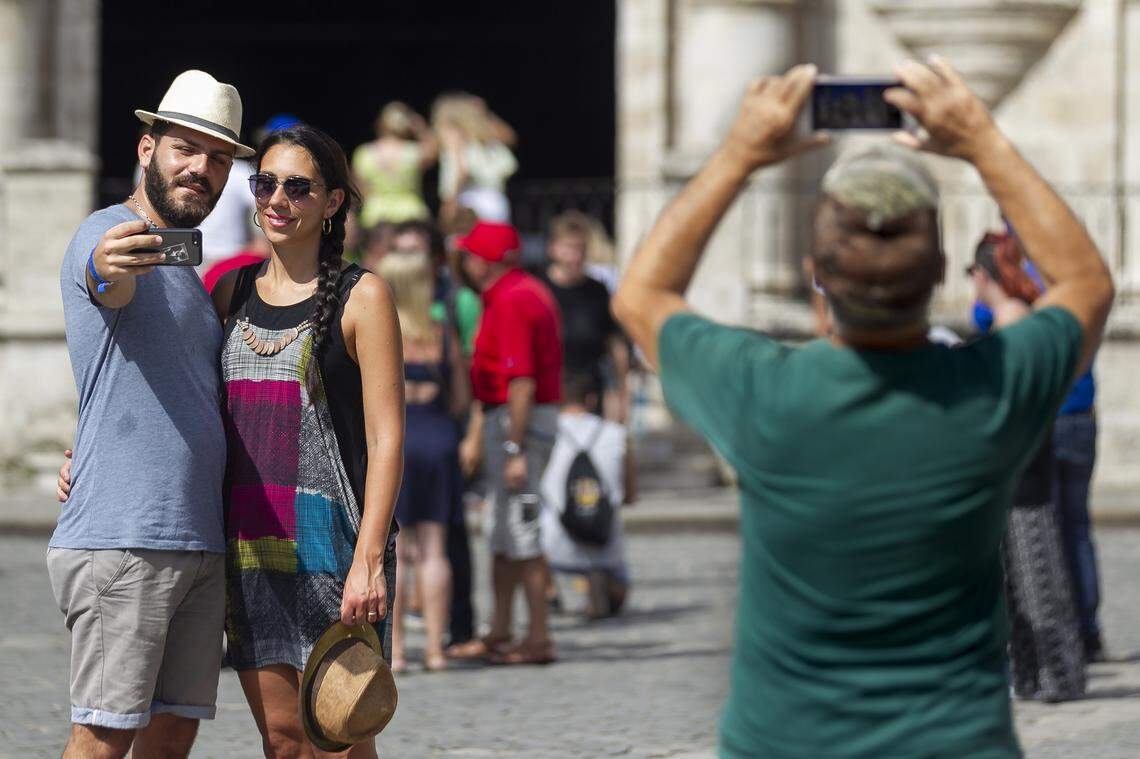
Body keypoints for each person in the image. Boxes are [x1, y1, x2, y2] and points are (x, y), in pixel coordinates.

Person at [612, 60, 1113, 758]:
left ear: (819, 277)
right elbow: (1086, 284)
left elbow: (641, 294)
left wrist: (739, 154)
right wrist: (981, 140)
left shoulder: (765, 393)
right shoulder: (990, 391)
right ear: (941, 270)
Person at [50, 69, 251, 759]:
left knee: (170, 739)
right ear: (146, 150)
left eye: (219, 158)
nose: (201, 168)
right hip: (126, 538)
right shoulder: (108, 232)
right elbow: (104, 274)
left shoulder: (189, 272)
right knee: (102, 737)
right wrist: (111, 265)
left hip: (195, 539)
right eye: (185, 149)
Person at [210, 124, 404, 757]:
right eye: (265, 183)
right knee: (285, 741)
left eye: (298, 187)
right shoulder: (228, 291)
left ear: (333, 202)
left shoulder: (362, 295)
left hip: (337, 551)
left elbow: (386, 435)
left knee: (340, 739)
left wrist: (369, 557)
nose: (277, 200)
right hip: (250, 548)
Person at [969, 232, 1085, 702]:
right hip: (1019, 461)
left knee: (1034, 573)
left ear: (984, 276)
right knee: (1023, 574)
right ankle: (1036, 671)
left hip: (1019, 463)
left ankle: (1053, 671)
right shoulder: (1015, 326)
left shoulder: (1012, 330)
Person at [449, 220, 563, 665]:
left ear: (489, 261)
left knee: (522, 531)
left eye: (474, 254)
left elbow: (521, 383)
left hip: (520, 426)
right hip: (511, 422)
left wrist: (514, 448)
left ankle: (537, 637)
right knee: (502, 531)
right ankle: (500, 629)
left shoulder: (513, 300)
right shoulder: (513, 294)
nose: (468, 261)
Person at [388, 219, 482, 650]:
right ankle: (437, 651)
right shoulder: (441, 332)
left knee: (400, 549)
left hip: (401, 438)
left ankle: (401, 652)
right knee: (436, 549)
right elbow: (463, 397)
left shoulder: (386, 334)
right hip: (440, 435)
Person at [539, 371, 633, 619]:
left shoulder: (545, 434)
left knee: (534, 509)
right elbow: (630, 495)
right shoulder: (617, 434)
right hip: (603, 537)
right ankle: (598, 580)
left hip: (555, 542)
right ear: (592, 400)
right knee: (617, 595)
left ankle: (548, 590)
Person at [540, 211, 630, 421]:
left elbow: (616, 346)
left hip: (590, 399)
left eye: (580, 248)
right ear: (552, 249)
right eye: (569, 248)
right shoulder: (539, 291)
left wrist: (622, 397)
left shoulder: (598, 292)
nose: (576, 256)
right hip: (547, 400)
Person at [433, 93, 518, 223]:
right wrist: (485, 113)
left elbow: (461, 170)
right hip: (497, 200)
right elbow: (511, 138)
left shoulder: (453, 134)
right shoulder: (486, 135)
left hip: (470, 200)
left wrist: (450, 202)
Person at [352, 101, 437, 229]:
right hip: (410, 212)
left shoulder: (364, 153)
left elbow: (359, 189)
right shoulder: (413, 152)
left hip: (375, 214)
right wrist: (420, 127)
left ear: (380, 124)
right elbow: (434, 152)